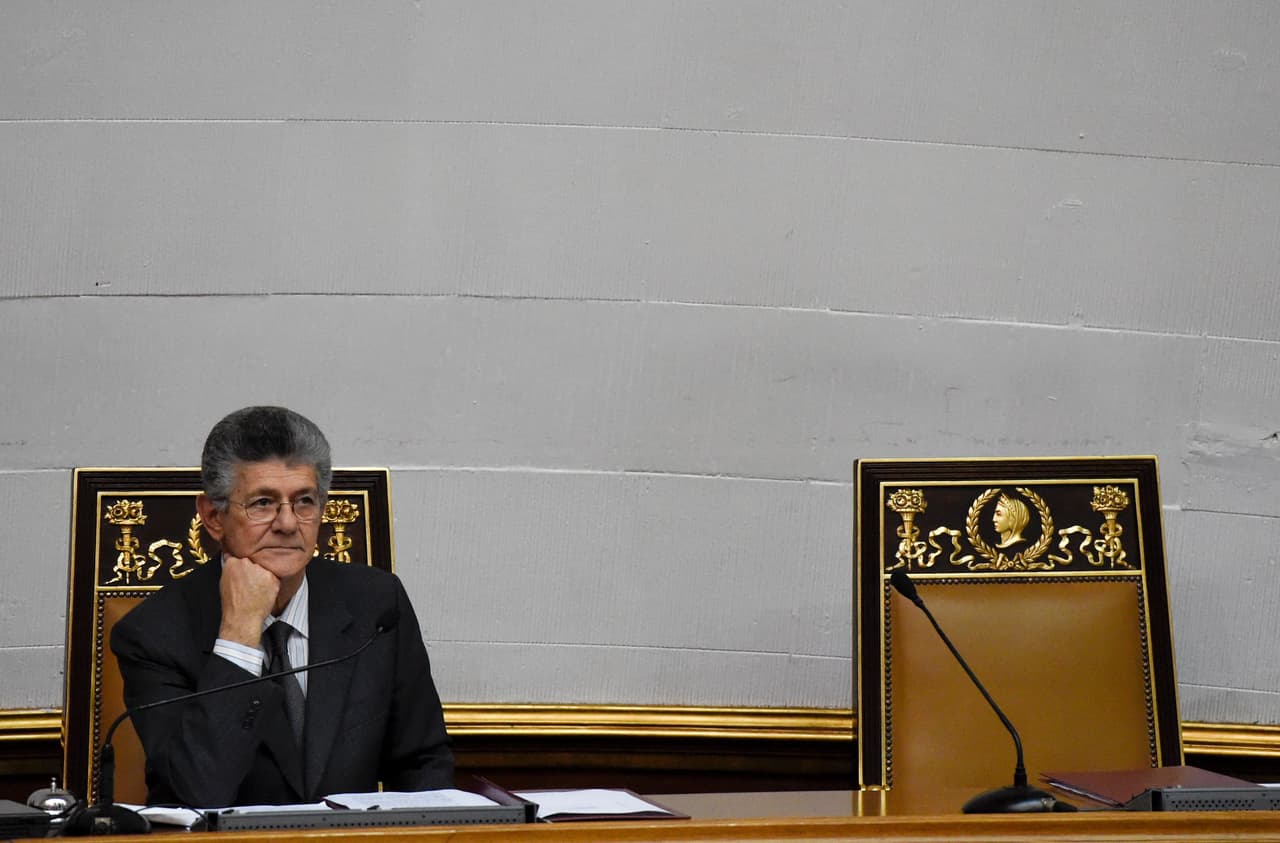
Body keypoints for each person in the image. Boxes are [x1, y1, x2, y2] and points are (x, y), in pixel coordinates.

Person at [111, 406, 453, 807]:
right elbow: (194, 794)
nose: (289, 524)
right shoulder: (154, 634)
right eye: (262, 503)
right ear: (212, 516)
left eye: (304, 501)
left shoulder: (376, 605)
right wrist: (238, 635)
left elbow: (422, 765)